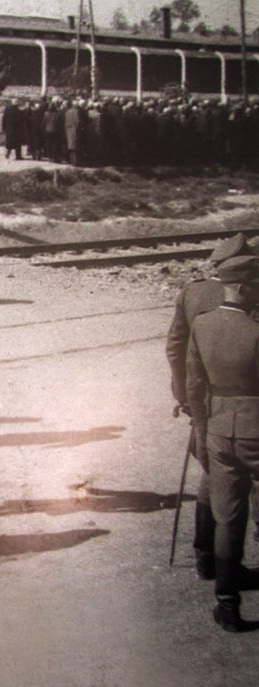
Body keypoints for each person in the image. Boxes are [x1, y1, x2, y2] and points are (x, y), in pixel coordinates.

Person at [166, 233, 255, 581]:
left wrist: (184, 396)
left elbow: (175, 348)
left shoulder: (192, 292)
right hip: (247, 403)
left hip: (203, 398)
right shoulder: (249, 292)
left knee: (211, 475)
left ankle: (206, 557)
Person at [186, 255, 259, 632]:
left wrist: (202, 432)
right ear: (244, 287)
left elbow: (194, 387)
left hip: (217, 430)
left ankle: (227, 605)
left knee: (228, 518)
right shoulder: (256, 330)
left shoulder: (203, 326)